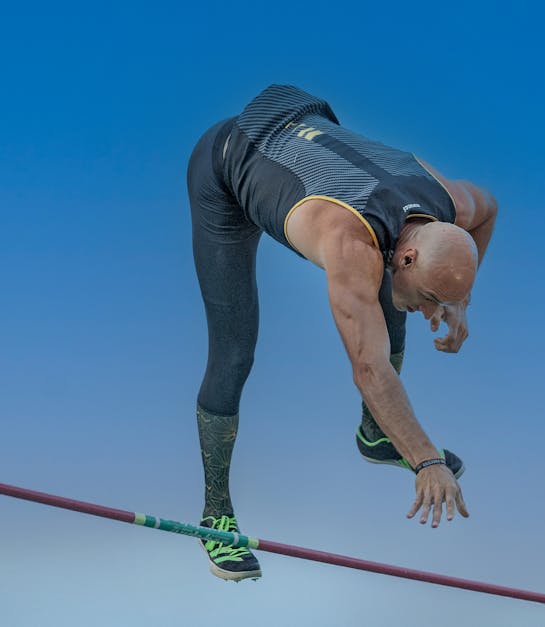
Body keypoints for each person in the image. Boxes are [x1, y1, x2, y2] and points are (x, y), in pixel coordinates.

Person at [186, 85, 498, 581]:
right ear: (409, 255)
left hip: (299, 113)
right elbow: (368, 368)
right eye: (429, 300)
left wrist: (458, 300)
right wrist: (425, 460)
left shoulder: (453, 204)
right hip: (228, 162)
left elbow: (489, 208)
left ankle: (376, 436)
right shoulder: (349, 242)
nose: (426, 312)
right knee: (235, 351)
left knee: (390, 296)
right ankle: (214, 516)